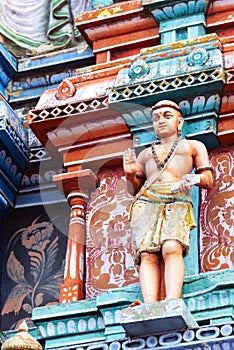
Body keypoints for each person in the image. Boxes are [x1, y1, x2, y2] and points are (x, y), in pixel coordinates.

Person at [123, 100, 213, 303]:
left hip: (177, 198)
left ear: (180, 123)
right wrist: (129, 174)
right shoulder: (146, 154)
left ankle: (172, 300)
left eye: (167, 115)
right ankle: (149, 304)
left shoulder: (193, 146)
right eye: (156, 118)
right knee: (147, 253)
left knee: (172, 247)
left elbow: (208, 179)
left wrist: (193, 179)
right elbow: (133, 189)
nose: (161, 120)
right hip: (146, 201)